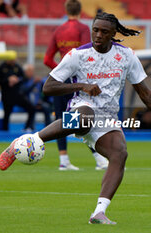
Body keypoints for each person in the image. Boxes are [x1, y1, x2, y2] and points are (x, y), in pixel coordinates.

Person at [0, 12, 151, 224]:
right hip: (82, 106)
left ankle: (98, 212)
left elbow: (145, 93)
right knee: (85, 117)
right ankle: (28, 141)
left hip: (107, 117)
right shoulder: (77, 55)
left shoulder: (127, 56)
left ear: (113, 34)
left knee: (120, 154)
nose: (97, 35)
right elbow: (48, 87)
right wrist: (82, 86)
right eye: (95, 30)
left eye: (104, 32)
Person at [44, 0, 108, 171]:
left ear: (66, 10)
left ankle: (63, 159)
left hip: (60, 81)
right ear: (80, 11)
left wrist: (60, 72)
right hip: (78, 81)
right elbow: (89, 52)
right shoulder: (82, 29)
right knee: (84, 116)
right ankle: (99, 158)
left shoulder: (58, 30)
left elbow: (47, 59)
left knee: (62, 118)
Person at [0, 60, 36, 131]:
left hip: (17, 95)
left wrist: (17, 80)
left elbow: (24, 78)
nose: (13, 60)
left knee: (31, 108)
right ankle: (5, 132)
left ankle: (27, 127)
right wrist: (8, 80)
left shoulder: (17, 67)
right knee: (7, 115)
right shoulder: (1, 67)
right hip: (6, 96)